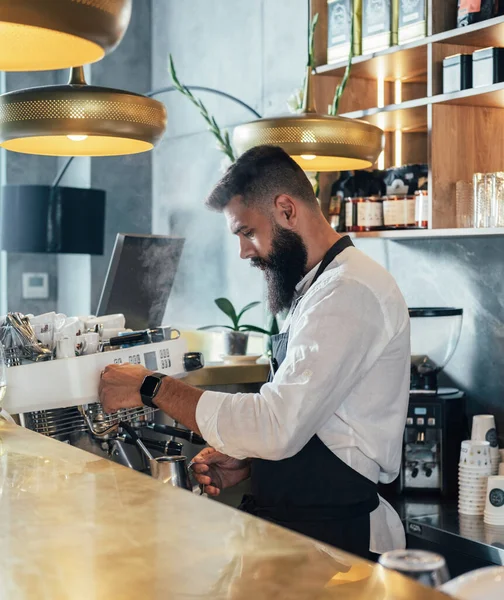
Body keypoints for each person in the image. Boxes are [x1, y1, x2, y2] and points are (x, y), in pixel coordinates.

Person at [99, 145, 410, 559]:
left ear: (286, 209)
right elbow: (320, 425)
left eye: (247, 232)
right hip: (305, 531)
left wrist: (152, 387)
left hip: (337, 543)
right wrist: (253, 462)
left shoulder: (347, 291)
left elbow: (277, 425)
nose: (244, 251)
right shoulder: (318, 287)